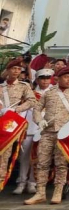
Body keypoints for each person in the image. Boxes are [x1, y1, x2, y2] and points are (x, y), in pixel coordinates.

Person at [25, 66, 69, 205]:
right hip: (47, 132)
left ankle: (58, 191)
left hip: (64, 133)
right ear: (58, 78)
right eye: (66, 77)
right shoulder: (49, 92)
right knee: (42, 163)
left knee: (61, 164)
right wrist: (39, 121)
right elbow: (37, 108)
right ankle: (40, 192)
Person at [15, 68, 53, 195]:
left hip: (46, 130)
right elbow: (23, 111)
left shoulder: (54, 93)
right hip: (30, 129)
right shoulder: (30, 93)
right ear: (37, 80)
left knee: (39, 158)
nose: (45, 81)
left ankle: (33, 182)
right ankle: (21, 182)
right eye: (42, 78)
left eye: (47, 78)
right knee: (25, 157)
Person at [0, 58, 36, 186]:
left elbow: (32, 101)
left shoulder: (23, 86)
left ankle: (1, 180)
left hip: (14, 124)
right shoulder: (0, 87)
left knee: (6, 153)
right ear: (8, 70)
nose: (16, 71)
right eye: (13, 68)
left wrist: (17, 109)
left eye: (18, 69)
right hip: (1, 122)